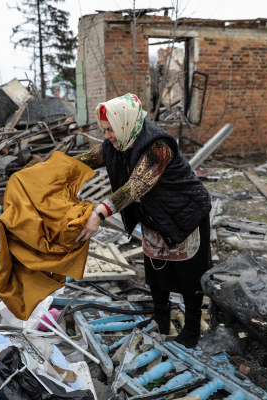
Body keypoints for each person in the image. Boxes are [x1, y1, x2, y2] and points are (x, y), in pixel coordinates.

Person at [72, 93, 212, 348]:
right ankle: (161, 320)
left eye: (110, 130)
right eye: (104, 130)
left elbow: (136, 186)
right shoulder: (117, 143)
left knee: (189, 275)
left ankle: (192, 328)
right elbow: (82, 162)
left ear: (123, 124)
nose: (107, 136)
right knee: (156, 270)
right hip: (155, 216)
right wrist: (52, 169)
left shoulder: (158, 146)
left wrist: (99, 213)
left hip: (184, 214)